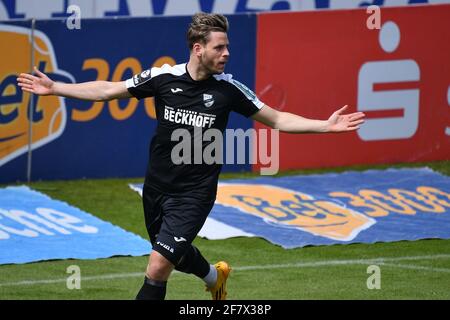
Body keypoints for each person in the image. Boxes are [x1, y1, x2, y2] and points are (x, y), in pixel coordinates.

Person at [17, 12, 365, 300]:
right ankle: (215, 278)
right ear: (198, 49)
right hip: (156, 188)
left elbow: (276, 118)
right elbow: (109, 89)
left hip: (194, 194)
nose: (227, 53)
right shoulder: (163, 77)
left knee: (157, 267)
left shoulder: (228, 89)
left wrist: (325, 126)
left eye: (228, 46)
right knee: (174, 254)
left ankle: (208, 278)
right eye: (219, 47)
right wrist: (55, 88)